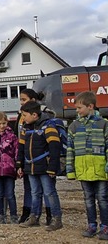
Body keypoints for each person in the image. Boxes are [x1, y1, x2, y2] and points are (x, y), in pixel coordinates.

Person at [65, 91, 108, 239]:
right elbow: (70, 150)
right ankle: (91, 225)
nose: (76, 111)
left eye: (79, 107)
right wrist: (70, 170)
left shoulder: (104, 124)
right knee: (88, 198)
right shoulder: (74, 127)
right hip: (83, 170)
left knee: (102, 198)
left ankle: (105, 227)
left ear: (90, 106)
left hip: (100, 169)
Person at [18, 101, 64, 231]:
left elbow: (55, 147)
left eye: (25, 115)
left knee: (49, 192)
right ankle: (34, 217)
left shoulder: (48, 126)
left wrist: (53, 167)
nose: (23, 118)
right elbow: (21, 148)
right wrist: (19, 164)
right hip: (31, 167)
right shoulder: (25, 128)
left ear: (34, 115)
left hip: (45, 167)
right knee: (35, 193)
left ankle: (56, 219)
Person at [17, 88, 52, 224]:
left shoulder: (46, 117)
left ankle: (50, 215)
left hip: (42, 159)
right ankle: (29, 214)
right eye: (20, 99)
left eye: (24, 99)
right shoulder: (22, 117)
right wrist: (19, 161)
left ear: (33, 100)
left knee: (47, 189)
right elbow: (19, 139)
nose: (21, 102)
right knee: (30, 189)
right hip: (27, 158)